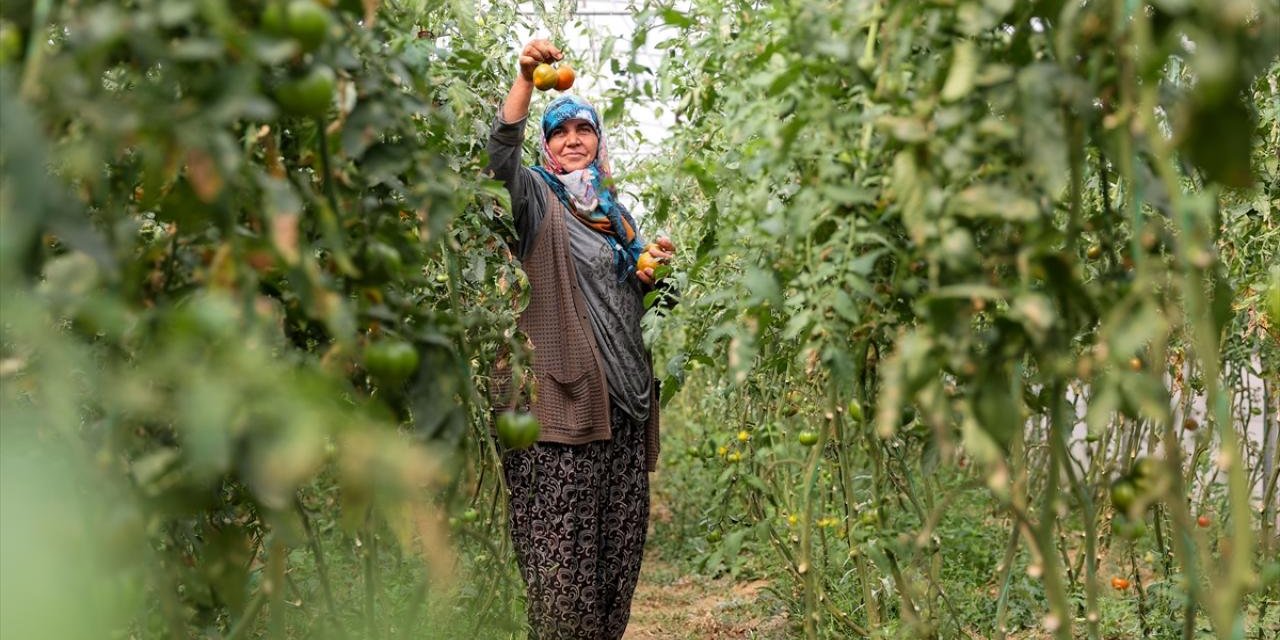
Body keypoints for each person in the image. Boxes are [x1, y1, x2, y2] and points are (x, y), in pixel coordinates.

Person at [485, 38, 676, 639]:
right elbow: (497, 163)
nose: (573, 140)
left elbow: (639, 306)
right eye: (560, 131)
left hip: (622, 411)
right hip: (561, 411)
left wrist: (654, 273)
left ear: (597, 141)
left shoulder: (617, 217)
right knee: (559, 573)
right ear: (547, 144)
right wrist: (525, 78)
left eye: (583, 131)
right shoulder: (537, 199)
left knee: (613, 570)